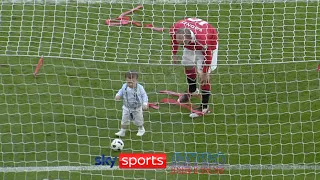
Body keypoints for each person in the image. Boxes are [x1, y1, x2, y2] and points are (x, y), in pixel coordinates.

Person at [170, 18, 219, 118]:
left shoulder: (202, 40)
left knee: (204, 76)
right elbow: (174, 40)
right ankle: (192, 90)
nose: (182, 45)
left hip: (209, 45)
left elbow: (208, 55)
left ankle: (204, 107)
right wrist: (174, 54)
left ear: (189, 38)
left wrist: (204, 72)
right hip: (194, 42)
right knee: (187, 63)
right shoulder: (175, 29)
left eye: (183, 43)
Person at [115, 71, 148, 137]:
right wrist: (118, 95)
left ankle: (141, 129)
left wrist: (145, 103)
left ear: (136, 80)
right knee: (124, 119)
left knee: (138, 119)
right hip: (126, 107)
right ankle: (122, 130)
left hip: (137, 107)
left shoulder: (140, 87)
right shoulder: (124, 86)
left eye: (132, 81)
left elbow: (144, 95)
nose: (130, 83)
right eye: (128, 81)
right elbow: (121, 91)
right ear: (126, 80)